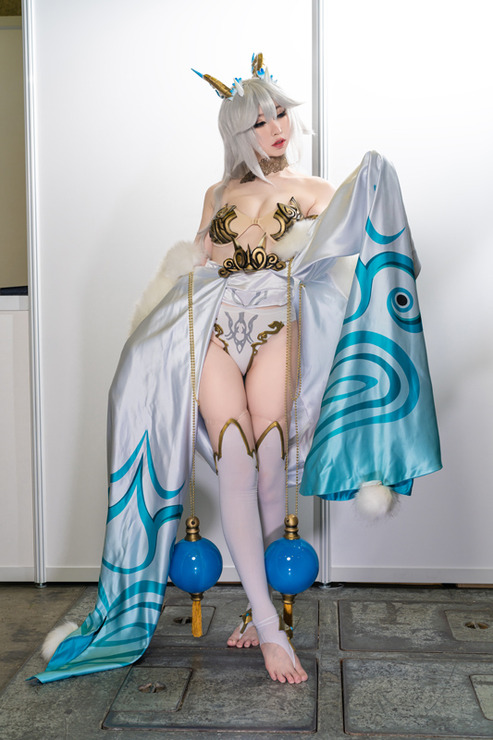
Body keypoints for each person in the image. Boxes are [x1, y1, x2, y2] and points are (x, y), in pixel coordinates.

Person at [34, 55, 441, 686]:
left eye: (281, 115)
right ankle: (271, 626)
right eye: (261, 120)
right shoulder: (216, 194)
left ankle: (261, 611)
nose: (277, 128)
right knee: (235, 458)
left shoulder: (313, 190)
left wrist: (378, 184)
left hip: (280, 318)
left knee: (269, 459)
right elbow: (194, 266)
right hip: (214, 323)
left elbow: (358, 234)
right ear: (237, 132)